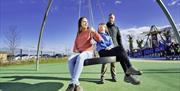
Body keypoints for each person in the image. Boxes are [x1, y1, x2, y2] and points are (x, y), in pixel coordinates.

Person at [97, 13, 142, 85]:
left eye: (112, 17)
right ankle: (102, 77)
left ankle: (124, 76)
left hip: (115, 47)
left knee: (115, 63)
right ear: (108, 18)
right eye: (110, 17)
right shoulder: (105, 27)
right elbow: (97, 37)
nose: (111, 18)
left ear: (114, 19)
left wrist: (122, 49)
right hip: (105, 49)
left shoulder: (116, 28)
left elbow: (119, 38)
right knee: (105, 63)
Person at [65, 17, 102, 91]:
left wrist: (94, 31)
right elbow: (75, 44)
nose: (86, 23)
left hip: (88, 52)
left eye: (87, 21)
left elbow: (99, 39)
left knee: (81, 57)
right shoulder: (78, 33)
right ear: (80, 23)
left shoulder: (90, 31)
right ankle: (77, 84)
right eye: (84, 21)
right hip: (79, 52)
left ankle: (72, 83)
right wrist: (75, 51)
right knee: (70, 60)